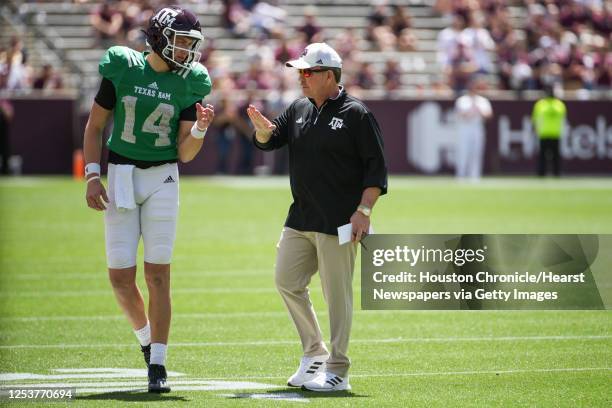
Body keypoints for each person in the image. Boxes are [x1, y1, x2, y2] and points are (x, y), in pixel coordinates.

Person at [82, 6, 213, 393]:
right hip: (121, 174)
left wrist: (201, 129)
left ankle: (158, 363)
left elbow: (185, 152)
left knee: (158, 275)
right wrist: (92, 174)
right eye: (183, 41)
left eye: (193, 43)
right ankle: (145, 341)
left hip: (163, 177)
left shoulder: (190, 81)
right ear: (159, 37)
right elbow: (95, 126)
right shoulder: (123, 65)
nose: (189, 51)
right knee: (121, 280)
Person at [246, 43, 388, 392]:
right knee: (286, 280)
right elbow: (272, 138)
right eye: (299, 72)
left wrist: (364, 211)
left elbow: (377, 170)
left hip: (339, 221)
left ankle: (338, 369)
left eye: (308, 72)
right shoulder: (298, 108)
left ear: (329, 75)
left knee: (336, 296)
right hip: (301, 217)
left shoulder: (357, 114)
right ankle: (315, 353)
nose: (301, 78)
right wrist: (263, 132)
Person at [454, 76, 493, 180]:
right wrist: (471, 110)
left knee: (476, 152)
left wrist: (478, 109)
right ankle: (461, 175)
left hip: (477, 127)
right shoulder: (462, 100)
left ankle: (474, 176)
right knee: (463, 151)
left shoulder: (482, 101)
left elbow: (488, 115)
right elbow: (461, 114)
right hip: (465, 128)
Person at [532, 85, 566, 176]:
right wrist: (536, 129)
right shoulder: (540, 104)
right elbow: (535, 119)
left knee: (555, 156)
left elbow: (563, 118)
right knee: (542, 156)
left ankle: (556, 173)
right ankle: (541, 173)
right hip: (544, 133)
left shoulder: (559, 104)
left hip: (555, 133)